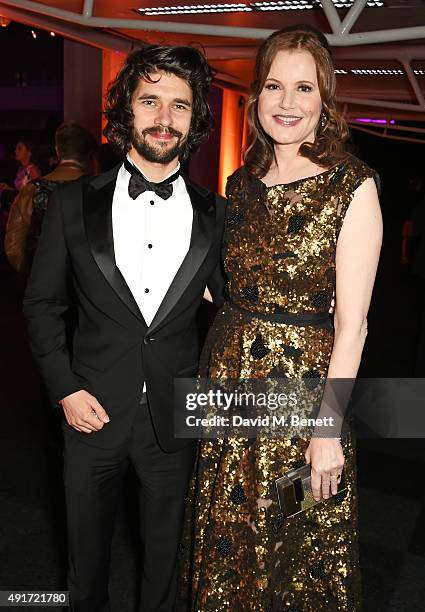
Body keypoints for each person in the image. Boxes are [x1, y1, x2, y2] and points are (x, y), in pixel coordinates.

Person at [179, 25, 382, 610]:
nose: (287, 103)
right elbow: (227, 289)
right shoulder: (239, 185)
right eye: (274, 85)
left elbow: (354, 325)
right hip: (228, 385)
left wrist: (328, 429)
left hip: (301, 400)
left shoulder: (353, 187)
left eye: (304, 88)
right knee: (229, 548)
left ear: (326, 101)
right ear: (256, 97)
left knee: (288, 545)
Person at [23, 45, 225, 612]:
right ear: (125, 113)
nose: (164, 118)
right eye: (150, 101)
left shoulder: (219, 214)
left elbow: (236, 309)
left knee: (166, 564)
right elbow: (41, 304)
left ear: (194, 120)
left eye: (180, 106)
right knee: (85, 565)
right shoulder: (69, 204)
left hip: (175, 414)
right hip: (89, 411)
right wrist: (64, 387)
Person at [5, 122, 97, 275]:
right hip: (89, 284)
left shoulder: (33, 189)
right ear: (89, 154)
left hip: (42, 279)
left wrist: (34, 275)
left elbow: (13, 246)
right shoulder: (99, 189)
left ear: (57, 150)